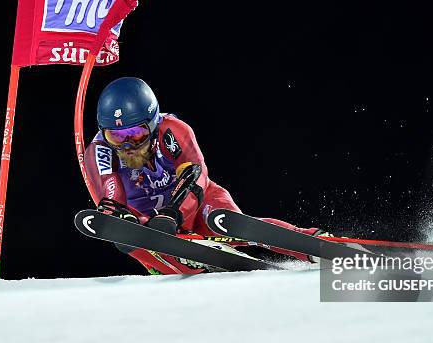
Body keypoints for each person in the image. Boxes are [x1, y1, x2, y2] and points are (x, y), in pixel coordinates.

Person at [85, 77, 323, 274]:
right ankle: (186, 260)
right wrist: (122, 221)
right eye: (115, 136)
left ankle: (314, 243)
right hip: (150, 227)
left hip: (192, 205)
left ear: (153, 123)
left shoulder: (173, 130)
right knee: (130, 234)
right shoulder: (100, 153)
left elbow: (195, 176)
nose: (127, 146)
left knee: (223, 221)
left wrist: (173, 214)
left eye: (136, 133)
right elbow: (110, 196)